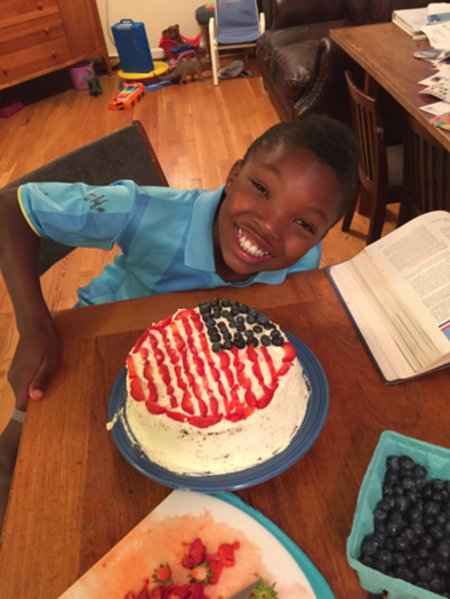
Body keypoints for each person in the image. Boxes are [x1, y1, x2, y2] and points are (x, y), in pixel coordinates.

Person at [0, 114, 358, 521]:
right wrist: (35, 326)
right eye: (261, 189)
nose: (269, 227)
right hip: (90, 356)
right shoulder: (146, 211)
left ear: (320, 237)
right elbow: (11, 207)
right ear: (234, 175)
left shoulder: (303, 261)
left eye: (303, 223)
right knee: (23, 475)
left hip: (200, 403)